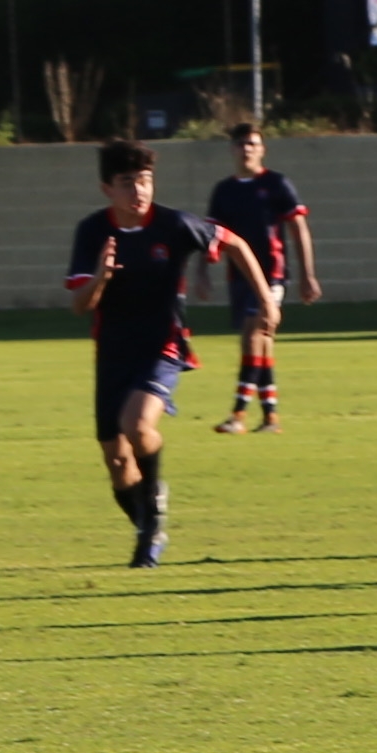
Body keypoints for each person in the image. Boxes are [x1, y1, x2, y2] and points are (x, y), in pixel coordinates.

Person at [65, 138, 234, 566]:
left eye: (145, 180)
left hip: (163, 346)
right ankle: (147, 523)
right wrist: (101, 276)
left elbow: (234, 242)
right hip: (112, 354)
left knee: (137, 426)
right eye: (127, 182)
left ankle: (152, 519)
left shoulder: (173, 225)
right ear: (107, 188)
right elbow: (80, 305)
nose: (138, 190)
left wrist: (268, 302)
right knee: (118, 461)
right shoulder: (92, 231)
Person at [198, 124, 316, 433]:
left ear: (262, 149)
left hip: (272, 276)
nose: (246, 149)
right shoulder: (224, 191)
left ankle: (238, 414)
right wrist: (202, 271)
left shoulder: (277, 184)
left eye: (252, 143)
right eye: (240, 144)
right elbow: (210, 235)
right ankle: (271, 417)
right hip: (239, 277)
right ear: (232, 150)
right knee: (260, 341)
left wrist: (307, 275)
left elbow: (298, 228)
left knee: (253, 334)